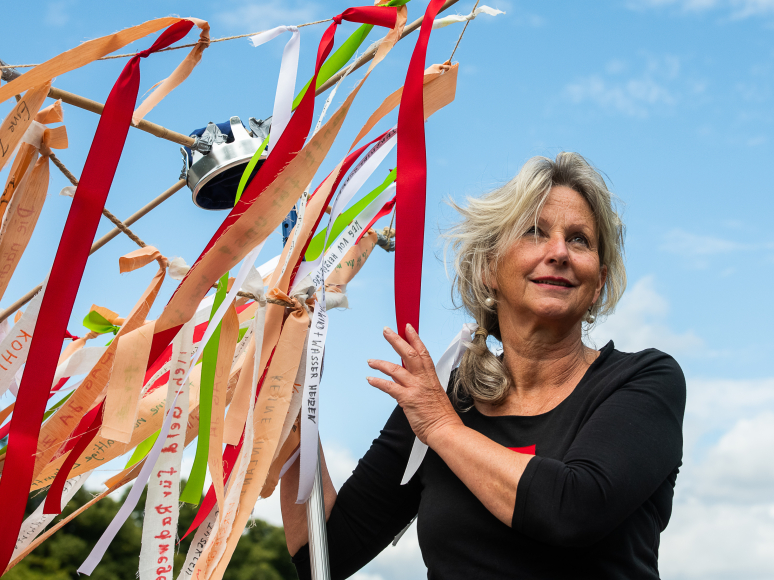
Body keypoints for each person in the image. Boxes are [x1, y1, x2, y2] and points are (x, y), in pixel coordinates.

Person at [281, 152, 686, 579]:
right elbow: (323, 556)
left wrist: (441, 428)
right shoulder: (445, 400)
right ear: (490, 267)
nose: (560, 252)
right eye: (534, 232)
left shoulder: (643, 382)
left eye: (580, 239)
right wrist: (287, 407)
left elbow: (572, 510)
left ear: (599, 281)